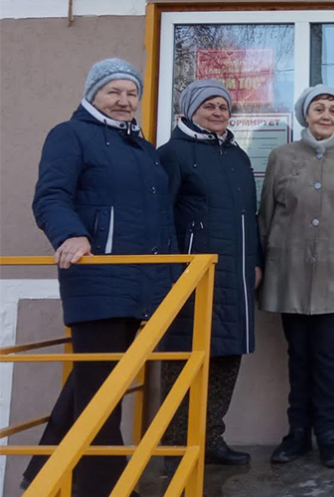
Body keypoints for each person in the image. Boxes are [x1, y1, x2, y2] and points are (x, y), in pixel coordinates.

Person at [27, 58, 176, 496]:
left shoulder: (142, 148)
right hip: (97, 278)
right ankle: (104, 487)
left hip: (141, 283)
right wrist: (70, 234)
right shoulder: (70, 135)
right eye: (114, 91)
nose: (124, 101)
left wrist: (167, 274)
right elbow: (50, 196)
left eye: (132, 93)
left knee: (93, 382)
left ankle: (41, 470)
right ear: (93, 94)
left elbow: (157, 219)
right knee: (101, 394)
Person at [258, 84, 334, 468]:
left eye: (332, 110)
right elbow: (266, 217)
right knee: (298, 357)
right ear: (305, 115)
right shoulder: (282, 157)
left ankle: (329, 436)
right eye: (318, 108)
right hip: (290, 274)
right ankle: (297, 434)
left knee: (327, 359)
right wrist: (264, 267)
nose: (326, 115)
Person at [158, 79, 262, 469]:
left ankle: (210, 438)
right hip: (192, 275)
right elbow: (161, 217)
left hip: (235, 274)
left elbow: (250, 217)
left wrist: (255, 262)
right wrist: (171, 267)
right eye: (209, 106)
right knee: (185, 358)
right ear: (190, 110)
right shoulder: (172, 154)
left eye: (223, 106)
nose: (218, 112)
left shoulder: (238, 156)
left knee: (228, 354)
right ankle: (175, 447)